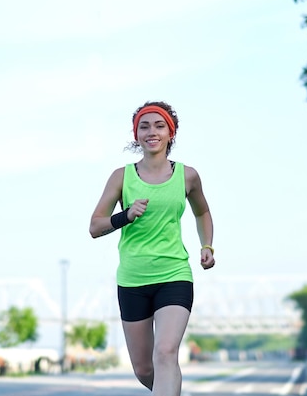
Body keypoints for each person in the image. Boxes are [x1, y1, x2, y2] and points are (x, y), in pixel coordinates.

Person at [89, 101, 215, 396]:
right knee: (145, 369)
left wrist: (206, 244)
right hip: (133, 280)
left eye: (159, 126)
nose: (151, 132)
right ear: (136, 135)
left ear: (170, 133)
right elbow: (95, 226)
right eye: (144, 127)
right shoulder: (121, 177)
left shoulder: (188, 176)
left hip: (174, 274)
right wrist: (126, 215)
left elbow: (202, 213)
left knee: (166, 353)